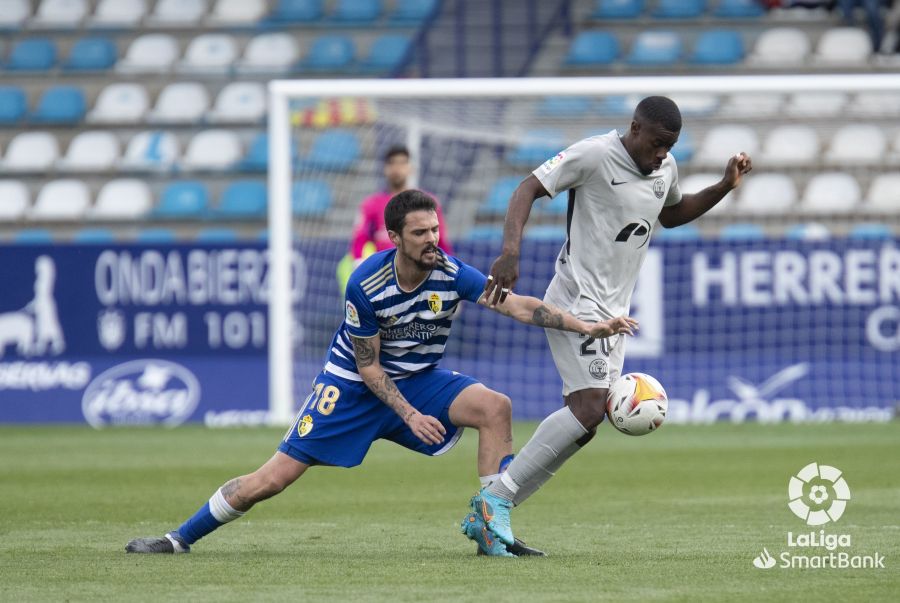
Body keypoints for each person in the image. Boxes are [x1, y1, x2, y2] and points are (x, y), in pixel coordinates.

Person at [126, 190, 637, 557]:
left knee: (494, 406)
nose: (432, 240)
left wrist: (589, 324)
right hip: (351, 388)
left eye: (435, 229)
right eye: (420, 233)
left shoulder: (449, 271)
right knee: (271, 480)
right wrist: (411, 415)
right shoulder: (367, 285)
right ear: (394, 238)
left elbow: (520, 307)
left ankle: (490, 525)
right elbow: (367, 366)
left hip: (417, 378)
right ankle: (178, 538)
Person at [471, 96, 753, 551]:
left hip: (613, 313)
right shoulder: (596, 154)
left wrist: (724, 185)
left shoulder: (666, 168)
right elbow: (526, 188)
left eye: (670, 146)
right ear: (635, 128)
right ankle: (495, 502)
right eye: (658, 143)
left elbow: (673, 214)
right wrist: (511, 252)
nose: (662, 153)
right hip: (576, 300)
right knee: (586, 411)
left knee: (584, 425)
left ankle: (494, 512)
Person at [336, 145, 453, 294]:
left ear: (410, 168)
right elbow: (360, 239)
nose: (397, 168)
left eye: (402, 163)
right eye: (392, 163)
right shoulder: (371, 204)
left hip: (421, 278)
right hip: (385, 281)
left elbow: (441, 241)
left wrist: (449, 277)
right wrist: (360, 268)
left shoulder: (427, 203)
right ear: (385, 168)